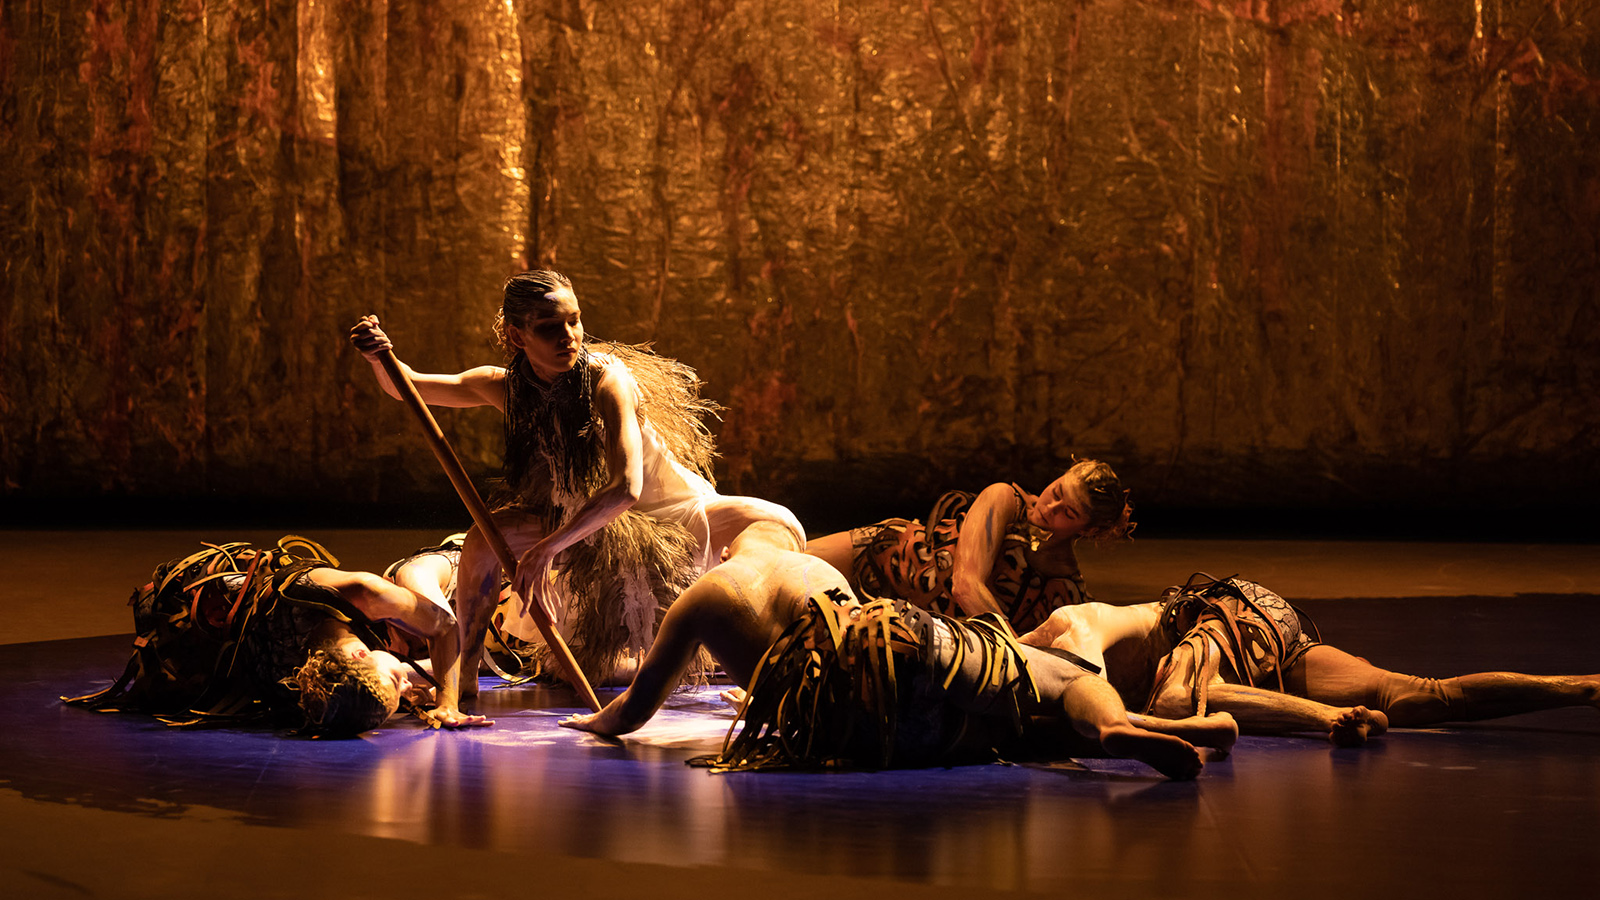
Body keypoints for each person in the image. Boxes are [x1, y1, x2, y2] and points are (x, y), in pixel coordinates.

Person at [350, 270, 803, 722]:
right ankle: (464, 676)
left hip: (664, 515)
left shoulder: (608, 380)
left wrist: (546, 550)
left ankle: (777, 677)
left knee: (776, 522)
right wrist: (379, 357)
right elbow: (406, 386)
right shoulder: (503, 385)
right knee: (482, 542)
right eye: (550, 327)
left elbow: (627, 488)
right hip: (581, 523)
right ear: (517, 334)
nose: (569, 337)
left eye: (575, 321)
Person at [561, 522, 1238, 781]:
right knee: (1050, 676)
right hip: (891, 650)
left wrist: (592, 721)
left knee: (1006, 737)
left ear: (732, 552)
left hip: (840, 725)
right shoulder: (813, 575)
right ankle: (1123, 724)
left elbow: (635, 708)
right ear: (784, 545)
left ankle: (1143, 730)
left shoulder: (706, 595)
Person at [1017, 573, 1600, 745]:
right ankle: (1584, 687)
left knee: (1173, 701)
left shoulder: (1068, 632)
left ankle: (1327, 721)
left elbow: (1092, 692)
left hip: (1221, 615)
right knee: (1416, 695)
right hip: (1266, 637)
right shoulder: (1029, 672)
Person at [65, 536, 486, 736]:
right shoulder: (299, 680)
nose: (403, 678)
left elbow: (443, 625)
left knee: (430, 588)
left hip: (432, 574)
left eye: (394, 679)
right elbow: (409, 670)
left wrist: (449, 703)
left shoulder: (367, 592)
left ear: (359, 656)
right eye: (400, 683)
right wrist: (450, 677)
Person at [805, 458, 1134, 632]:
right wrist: (1018, 655)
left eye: (1068, 512)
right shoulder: (1005, 499)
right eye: (1057, 491)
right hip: (880, 554)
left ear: (1088, 529)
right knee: (774, 561)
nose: (1050, 508)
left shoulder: (1067, 590)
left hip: (897, 621)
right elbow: (965, 585)